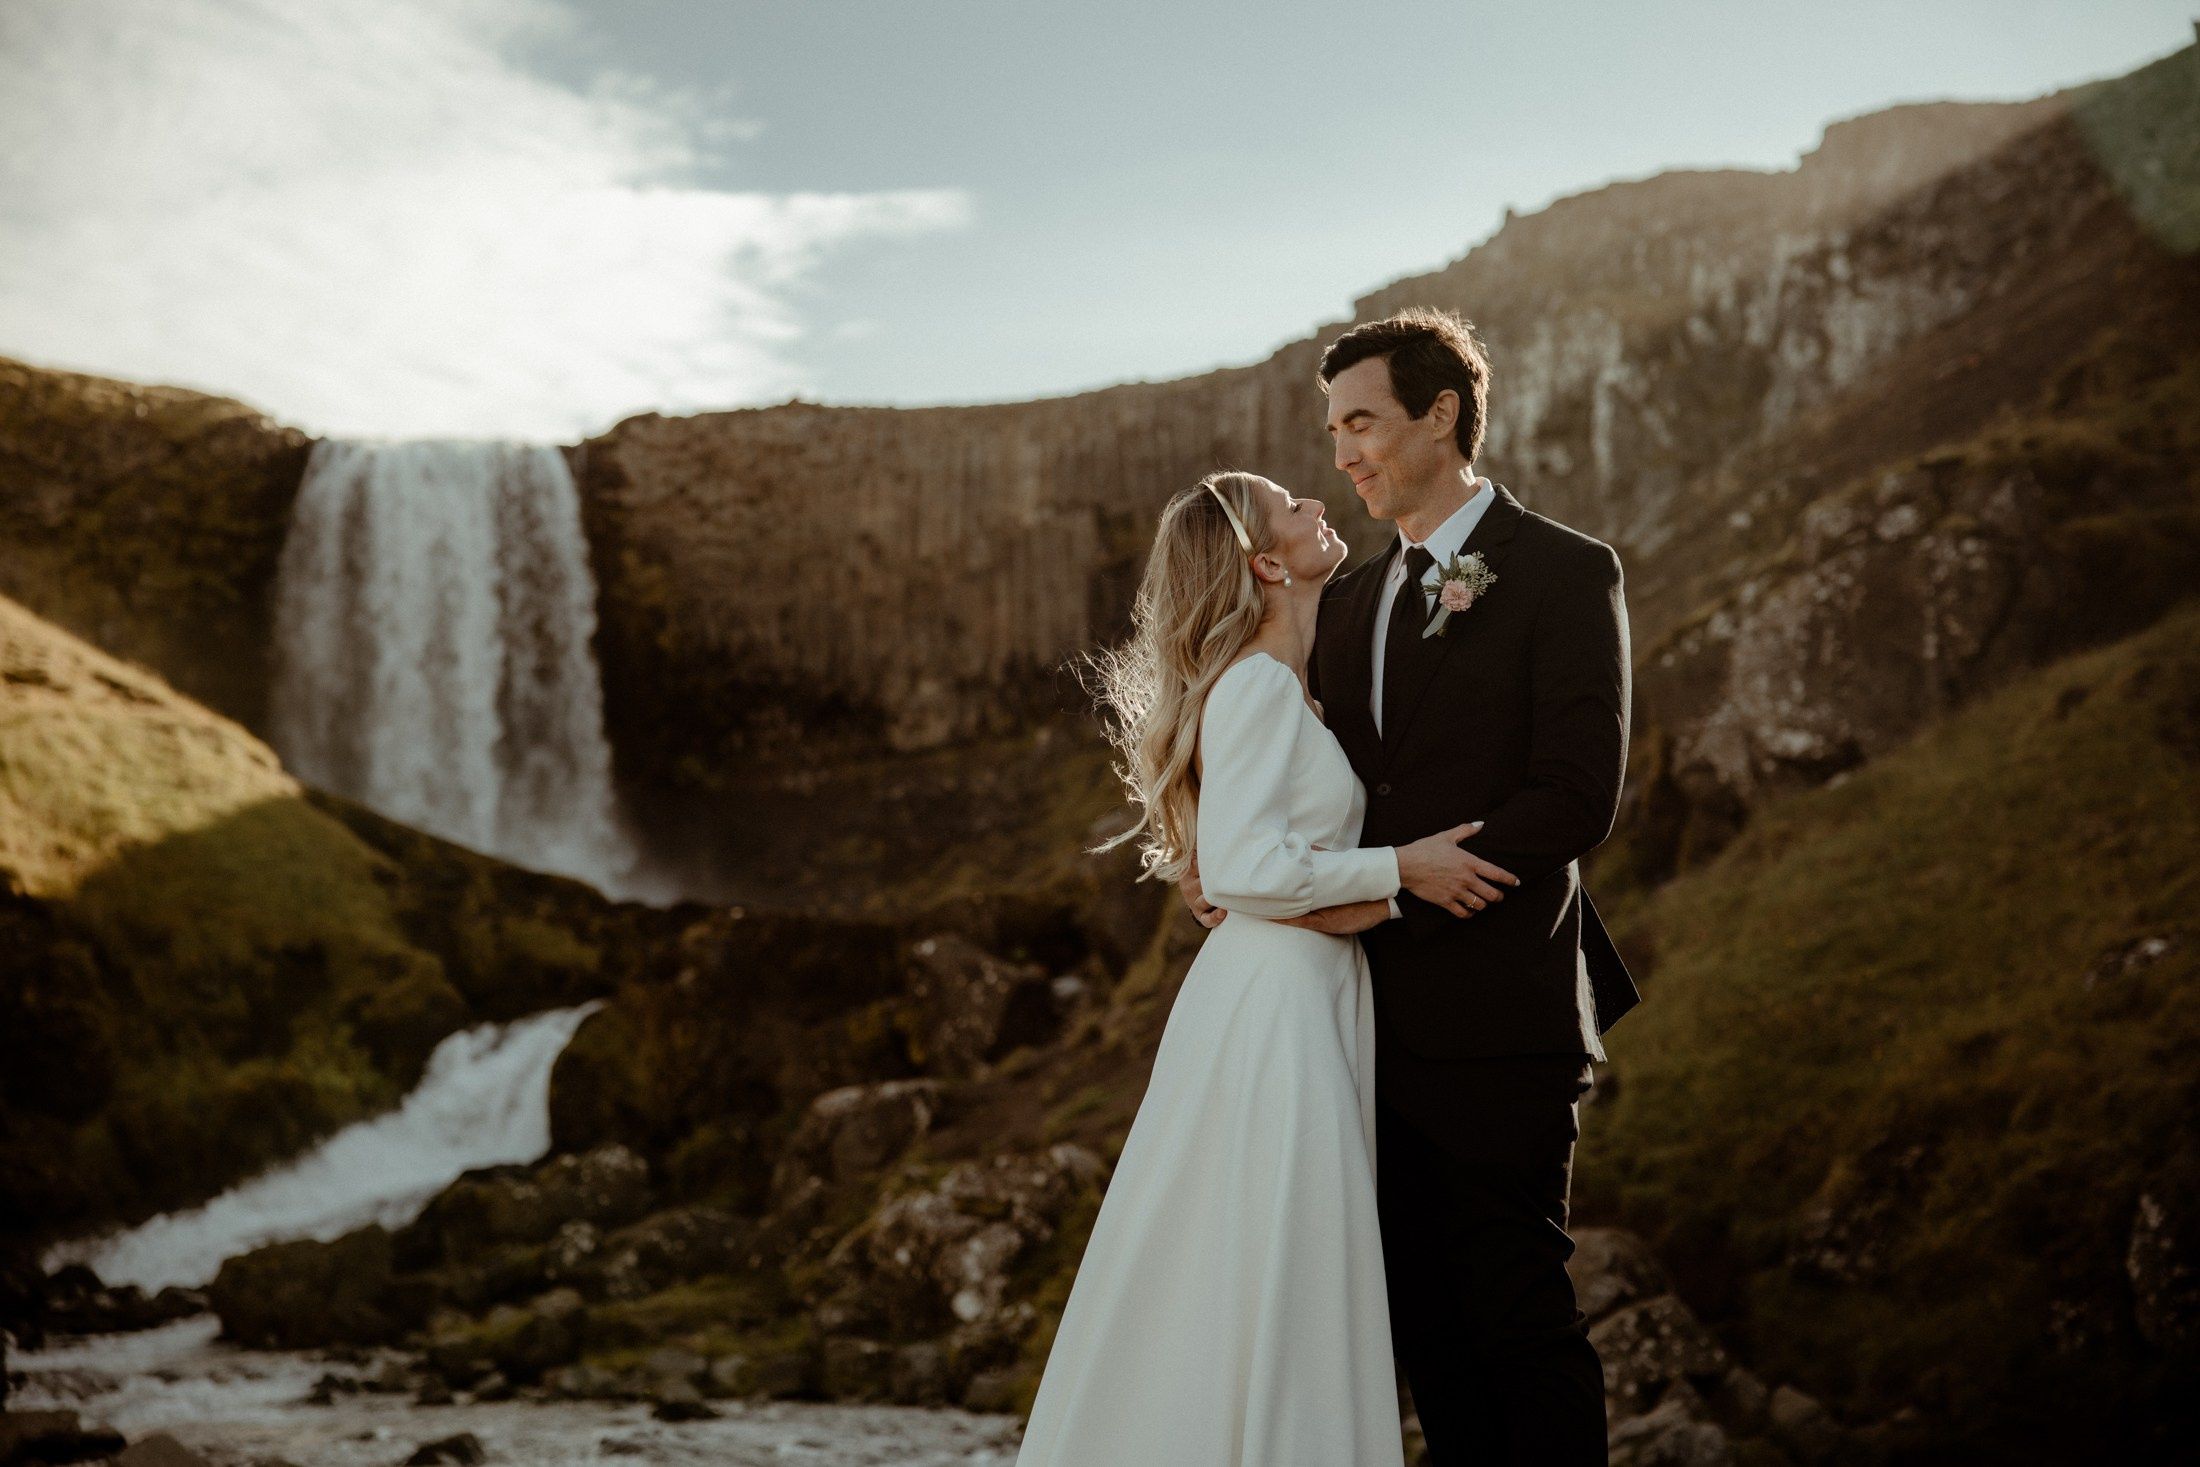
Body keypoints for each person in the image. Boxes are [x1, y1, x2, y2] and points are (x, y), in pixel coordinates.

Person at [1187, 308, 1637, 1465]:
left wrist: (1432, 881)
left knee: (1518, 1319)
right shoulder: (1342, 602)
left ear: (1441, 416)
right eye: (1332, 429)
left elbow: (1576, 794)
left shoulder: (1564, 572)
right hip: (1352, 1030)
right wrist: (1236, 873)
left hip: (1501, 1014)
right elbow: (1293, 783)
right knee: (1424, 1337)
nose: (1342, 454)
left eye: (1362, 423)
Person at [1017, 470, 1508, 1467]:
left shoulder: (1291, 687)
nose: (1320, 505)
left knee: (1267, 1265)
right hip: (1275, 1012)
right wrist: (1402, 868)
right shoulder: (1251, 684)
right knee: (1280, 1263)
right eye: (1295, 508)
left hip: (1301, 991)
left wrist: (1379, 891)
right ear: (1266, 561)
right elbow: (1244, 868)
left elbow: (1245, 867)